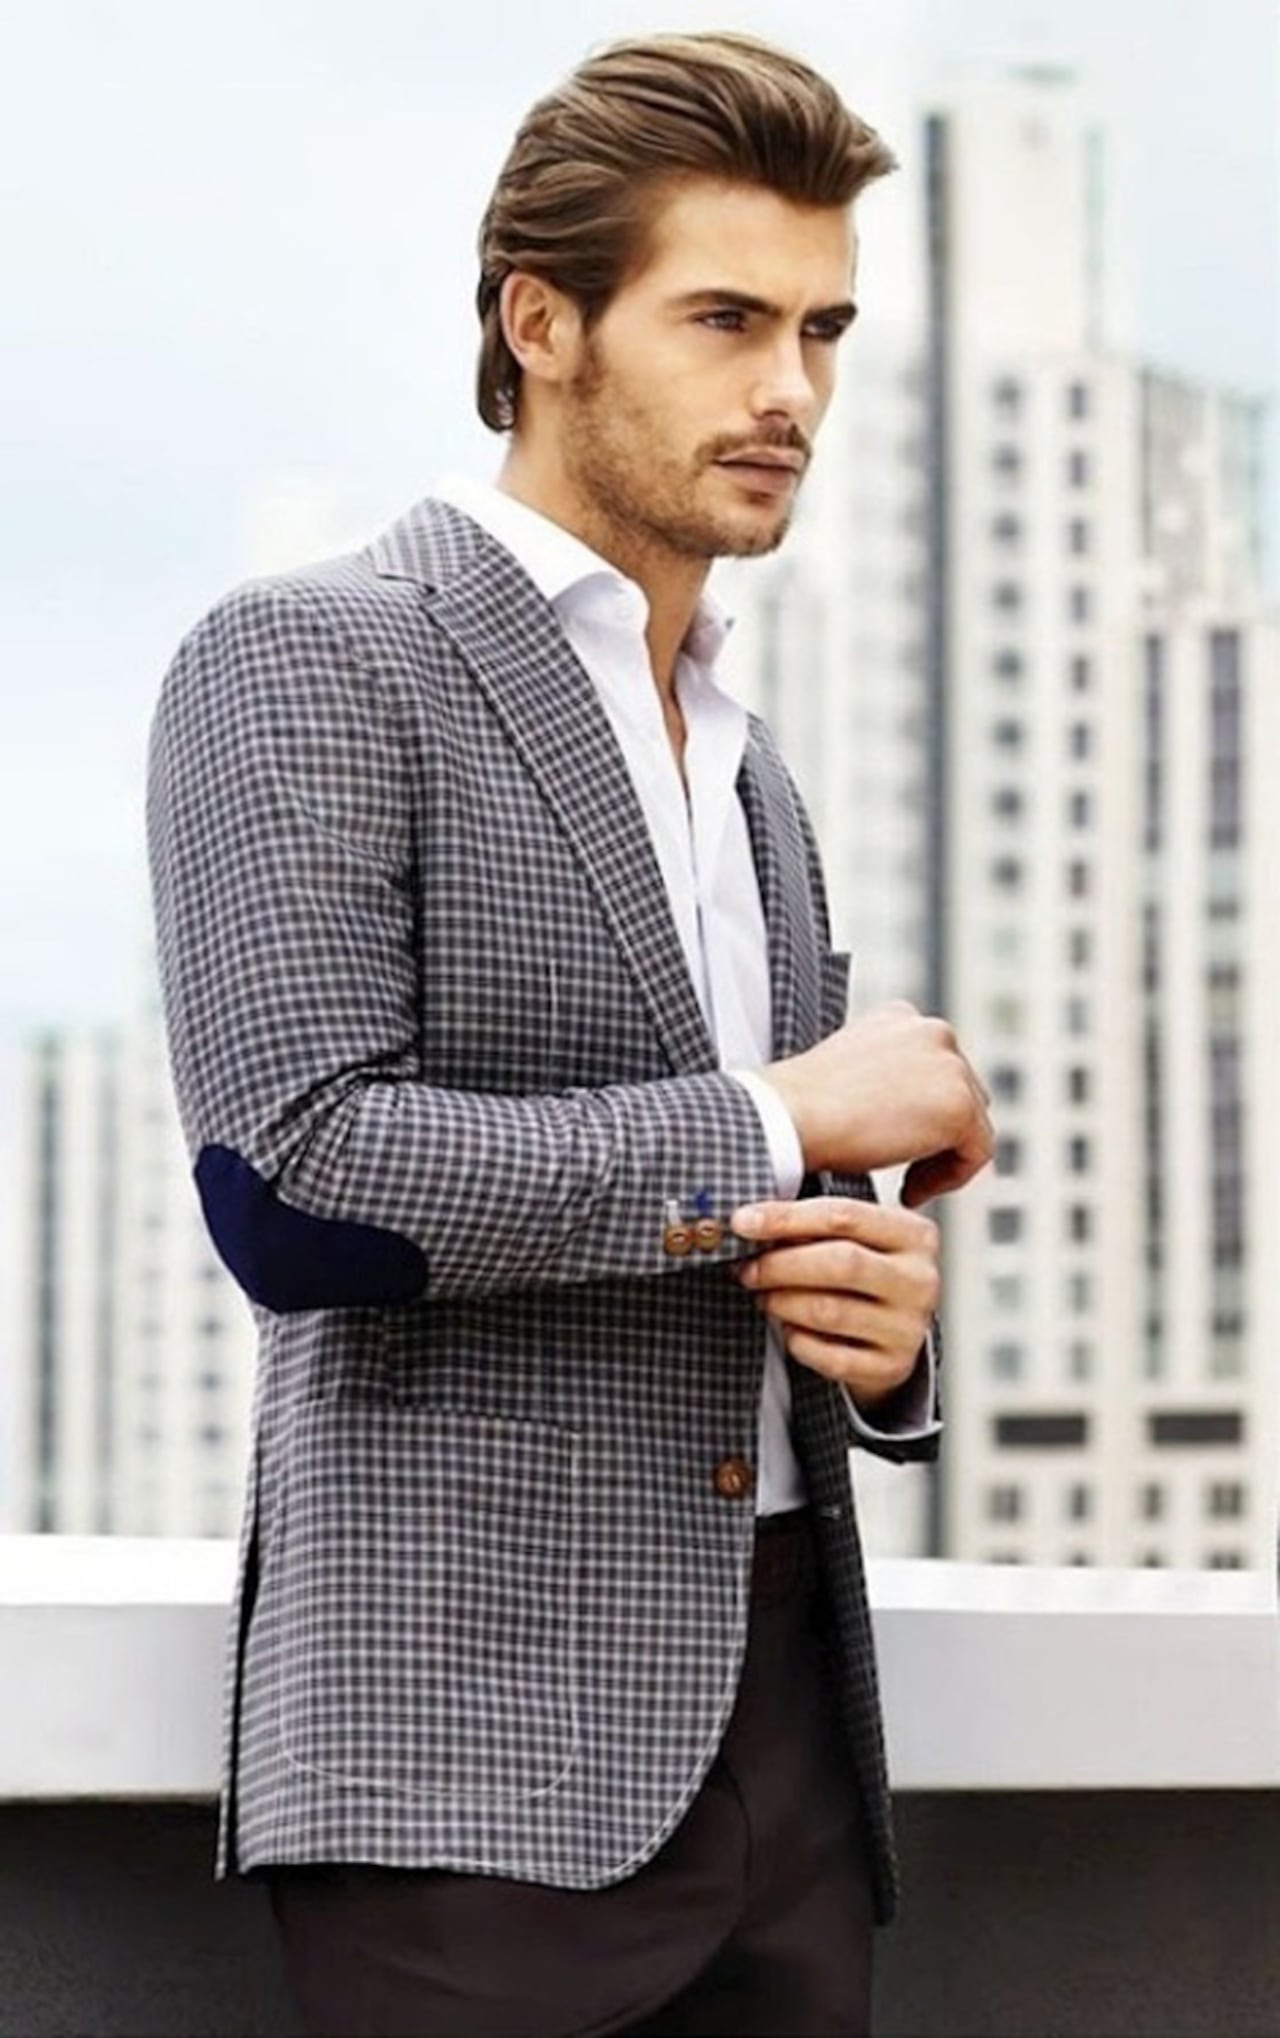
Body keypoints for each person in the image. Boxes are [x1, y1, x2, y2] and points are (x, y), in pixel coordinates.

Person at [147, 31, 992, 2038]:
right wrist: (783, 1117)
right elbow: (299, 1186)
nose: (791, 391)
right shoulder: (313, 654)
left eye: (822, 330)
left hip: (788, 1745)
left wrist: (881, 1334)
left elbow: (739, 1206)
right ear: (542, 324)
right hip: (468, 1770)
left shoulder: (747, 758)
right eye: (725, 319)